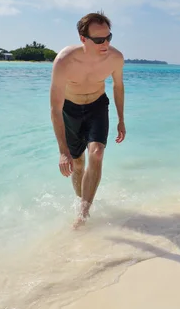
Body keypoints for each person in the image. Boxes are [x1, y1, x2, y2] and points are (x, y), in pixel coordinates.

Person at [49, 11, 126, 228]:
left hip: (97, 106)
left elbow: (118, 87)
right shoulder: (65, 61)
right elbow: (55, 107)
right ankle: (81, 200)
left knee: (97, 153)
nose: (105, 44)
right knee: (77, 162)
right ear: (83, 39)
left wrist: (121, 119)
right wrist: (62, 151)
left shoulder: (115, 58)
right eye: (99, 40)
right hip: (70, 110)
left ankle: (83, 214)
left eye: (109, 38)